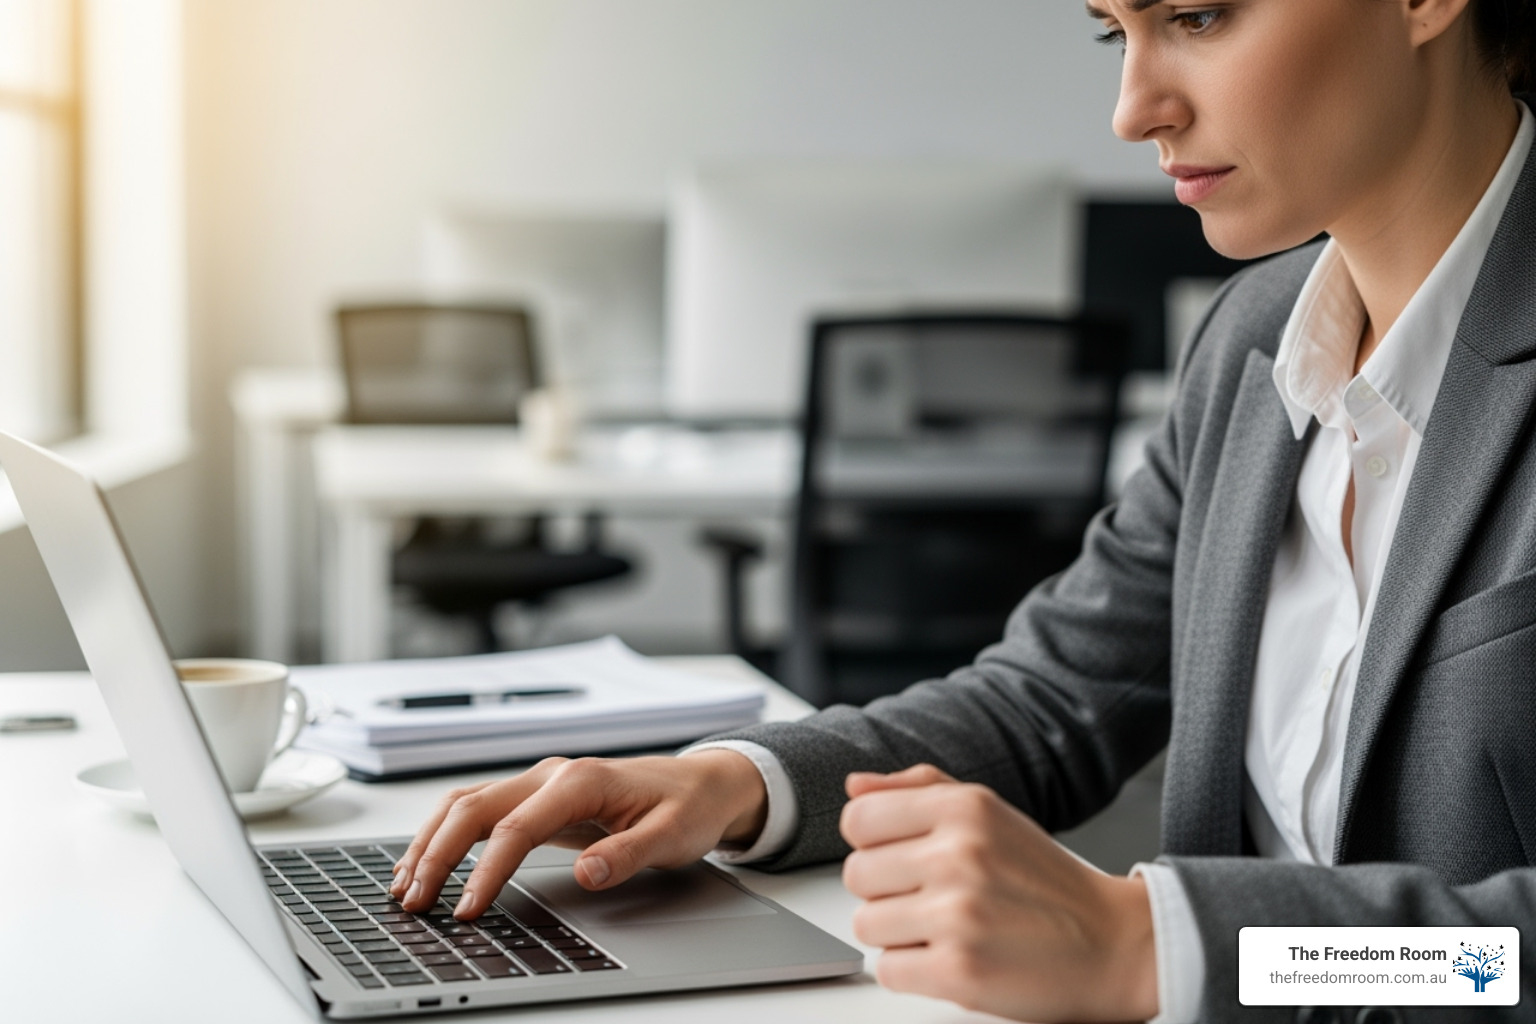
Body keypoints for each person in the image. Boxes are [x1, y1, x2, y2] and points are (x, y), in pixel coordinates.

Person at [388, 0, 1536, 1019]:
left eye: (1197, 17)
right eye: (1112, 32)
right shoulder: (1253, 341)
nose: (1134, 109)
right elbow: (1054, 697)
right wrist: (735, 782)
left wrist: (1166, 948)